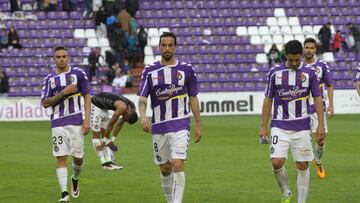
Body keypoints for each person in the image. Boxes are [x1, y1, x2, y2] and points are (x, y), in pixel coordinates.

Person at [137, 32, 202, 203]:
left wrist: (198, 124)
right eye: (164, 45)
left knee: (178, 164)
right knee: (165, 169)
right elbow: (143, 98)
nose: (167, 48)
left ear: (175, 47)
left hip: (180, 124)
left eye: (170, 45)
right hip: (159, 127)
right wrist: (143, 116)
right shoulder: (150, 71)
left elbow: (193, 98)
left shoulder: (187, 70)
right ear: (159, 47)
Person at [259, 40, 325, 203]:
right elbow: (268, 99)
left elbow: (317, 98)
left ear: (301, 56)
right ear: (285, 56)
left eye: (297, 59)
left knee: (302, 165)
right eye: (291, 60)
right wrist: (263, 126)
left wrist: (321, 125)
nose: (295, 63)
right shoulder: (275, 72)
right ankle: (286, 191)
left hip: (302, 126)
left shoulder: (310, 73)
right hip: (279, 125)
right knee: (276, 162)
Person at [41, 46, 91, 202]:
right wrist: (63, 93)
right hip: (57, 123)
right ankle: (64, 193)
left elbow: (87, 97)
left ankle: (75, 179)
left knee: (78, 159)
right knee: (61, 157)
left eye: (64, 56)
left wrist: (87, 120)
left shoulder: (78, 74)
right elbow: (45, 102)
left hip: (76, 122)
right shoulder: (49, 79)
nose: (61, 59)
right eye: (58, 57)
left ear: (68, 57)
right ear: (54, 59)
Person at [303, 37, 334, 179]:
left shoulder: (322, 65)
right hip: (301, 108)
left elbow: (329, 85)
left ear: (315, 49)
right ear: (303, 49)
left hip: (318, 108)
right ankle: (305, 165)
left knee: (321, 139)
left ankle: (318, 161)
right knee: (303, 139)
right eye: (306, 47)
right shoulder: (298, 65)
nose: (309, 50)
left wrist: (331, 105)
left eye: (311, 48)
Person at [90, 92, 138, 170]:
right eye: (125, 118)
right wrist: (103, 142)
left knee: (106, 135)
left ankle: (110, 162)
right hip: (95, 105)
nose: (123, 118)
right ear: (128, 114)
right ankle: (104, 164)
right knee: (96, 134)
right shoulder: (121, 108)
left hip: (104, 107)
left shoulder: (132, 107)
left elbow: (120, 123)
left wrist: (112, 140)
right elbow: (111, 124)